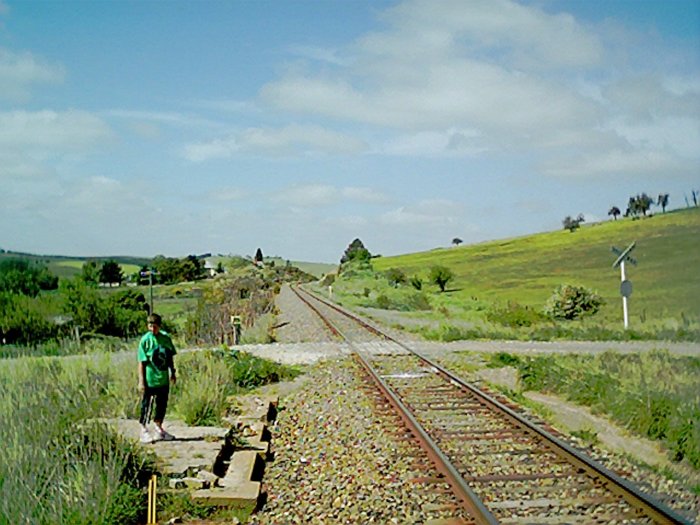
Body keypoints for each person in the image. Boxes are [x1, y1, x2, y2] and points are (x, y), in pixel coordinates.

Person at [138, 313, 177, 443]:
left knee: (162, 405)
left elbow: (169, 356)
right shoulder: (145, 341)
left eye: (155, 327)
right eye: (150, 326)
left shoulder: (166, 339)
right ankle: (144, 429)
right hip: (150, 379)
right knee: (147, 405)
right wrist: (141, 381)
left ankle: (159, 427)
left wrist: (173, 372)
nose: (152, 329)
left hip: (163, 378)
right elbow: (141, 362)